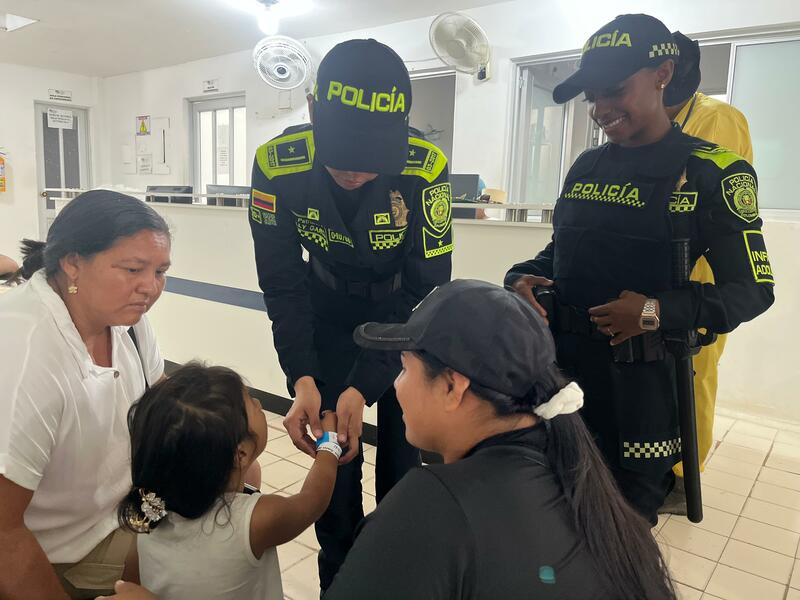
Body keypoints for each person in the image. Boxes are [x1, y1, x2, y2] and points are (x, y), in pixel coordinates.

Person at [98, 280, 677, 600]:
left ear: (452, 386)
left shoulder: (433, 505)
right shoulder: (573, 470)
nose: (392, 388)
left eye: (401, 368)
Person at [505, 14, 774, 524]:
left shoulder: (712, 170)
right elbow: (559, 253)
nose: (600, 108)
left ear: (662, 73)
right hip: (562, 380)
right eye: (591, 96)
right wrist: (520, 277)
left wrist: (652, 310)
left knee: (621, 532)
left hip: (641, 392)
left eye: (614, 90)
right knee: (553, 520)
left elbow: (753, 291)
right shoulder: (587, 166)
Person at [248, 38, 453, 589]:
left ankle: (398, 572)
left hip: (402, 319)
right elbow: (283, 285)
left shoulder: (425, 167)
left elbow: (429, 289)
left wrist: (366, 385)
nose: (358, 172)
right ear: (314, 112)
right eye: (344, 156)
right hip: (325, 316)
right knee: (334, 473)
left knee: (402, 468)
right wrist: (304, 378)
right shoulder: (276, 167)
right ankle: (341, 581)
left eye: (372, 161)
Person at [0, 190, 171, 599]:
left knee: (240, 495)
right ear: (73, 263)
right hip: (63, 551)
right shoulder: (26, 356)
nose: (150, 287)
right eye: (133, 269)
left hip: (122, 509)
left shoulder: (125, 318)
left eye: (161, 271)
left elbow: (163, 406)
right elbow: (4, 532)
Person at [117, 363, 341, 600]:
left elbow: (132, 577)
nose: (259, 404)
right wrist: (329, 444)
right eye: (251, 403)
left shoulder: (147, 515)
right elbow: (312, 500)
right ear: (240, 453)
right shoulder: (253, 521)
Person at [660, 31, 755, 513]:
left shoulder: (719, 119)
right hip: (663, 275)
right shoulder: (662, 117)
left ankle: (684, 477)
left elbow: (694, 193)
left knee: (696, 373)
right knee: (667, 376)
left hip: (702, 276)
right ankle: (664, 461)